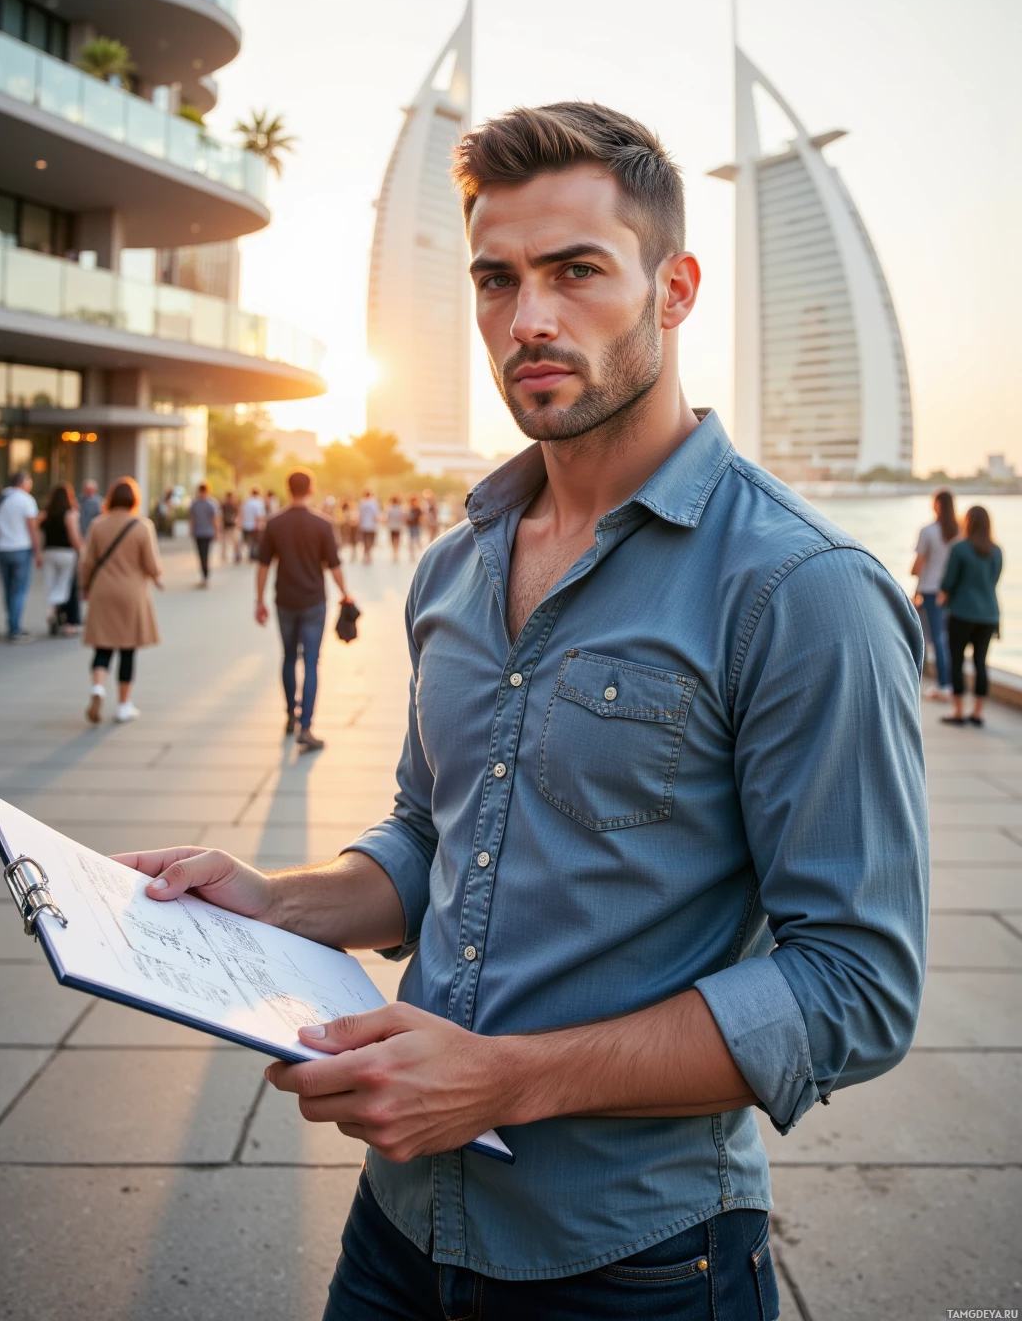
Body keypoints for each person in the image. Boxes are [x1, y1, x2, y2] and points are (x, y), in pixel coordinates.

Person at [117, 103, 928, 1320]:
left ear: (674, 287)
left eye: (575, 271)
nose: (527, 318)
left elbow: (856, 983)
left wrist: (504, 1082)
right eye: (497, 280)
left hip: (639, 1264)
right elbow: (431, 838)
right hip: (397, 1230)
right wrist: (279, 900)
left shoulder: (801, 590)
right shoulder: (454, 568)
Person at [254, 469, 351, 751]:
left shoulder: (274, 523)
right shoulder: (322, 525)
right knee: (310, 662)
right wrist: (345, 594)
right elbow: (334, 566)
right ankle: (306, 727)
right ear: (311, 489)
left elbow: (263, 565)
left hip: (284, 601)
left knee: (287, 657)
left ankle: (289, 715)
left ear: (288, 489)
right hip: (313, 602)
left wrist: (258, 601)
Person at [79, 476, 163, 724]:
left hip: (102, 591)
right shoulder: (142, 526)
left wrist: (84, 587)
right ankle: (124, 705)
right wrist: (157, 577)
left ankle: (97, 688)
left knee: (102, 647)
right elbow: (151, 564)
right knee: (127, 650)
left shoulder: (97, 524)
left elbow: (87, 562)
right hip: (131, 593)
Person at [940, 505, 1002, 728]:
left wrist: (941, 598)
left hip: (962, 612)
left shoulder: (959, 548)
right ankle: (977, 713)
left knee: (956, 660)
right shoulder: (996, 550)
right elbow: (994, 580)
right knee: (980, 663)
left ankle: (958, 711)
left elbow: (948, 582)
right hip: (989, 614)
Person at [912, 488, 958, 699]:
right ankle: (947, 682)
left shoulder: (928, 530)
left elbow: (918, 565)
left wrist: (913, 573)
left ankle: (942, 684)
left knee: (928, 637)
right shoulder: (959, 531)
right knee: (946, 638)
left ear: (938, 504)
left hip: (930, 591)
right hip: (952, 592)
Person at [0, 469, 41, 642]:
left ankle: (12, 624)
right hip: (21, 548)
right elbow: (32, 528)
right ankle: (15, 628)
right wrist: (38, 550)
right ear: (23, 482)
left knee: (8, 589)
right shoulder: (26, 500)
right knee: (19, 590)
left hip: (3, 548)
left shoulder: (2, 498)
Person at [40, 483, 83, 636]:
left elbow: (41, 535)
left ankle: (52, 610)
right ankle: (63, 615)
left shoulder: (46, 513)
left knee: (52, 584)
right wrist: (81, 551)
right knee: (65, 584)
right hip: (66, 553)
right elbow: (73, 535)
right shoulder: (70, 513)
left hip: (49, 552)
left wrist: (38, 553)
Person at [188, 482, 220, 587]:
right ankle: (204, 576)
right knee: (201, 555)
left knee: (205, 555)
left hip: (207, 533)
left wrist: (216, 532)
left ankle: (205, 577)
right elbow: (192, 518)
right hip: (199, 532)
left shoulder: (210, 503)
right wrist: (191, 530)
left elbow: (214, 519)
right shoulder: (196, 503)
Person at [240, 486, 266, 561]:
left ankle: (250, 554)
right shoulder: (258, 502)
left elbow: (241, 514)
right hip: (254, 525)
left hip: (246, 525)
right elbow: (259, 515)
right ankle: (253, 555)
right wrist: (259, 525)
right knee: (255, 542)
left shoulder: (246, 502)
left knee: (249, 542)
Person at [357, 488, 380, 564]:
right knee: (370, 541)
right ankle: (369, 556)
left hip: (363, 525)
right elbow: (376, 515)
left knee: (364, 541)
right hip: (371, 525)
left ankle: (365, 556)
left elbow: (359, 514)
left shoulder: (361, 503)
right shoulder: (374, 503)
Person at [221, 490, 241, 564]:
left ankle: (235, 554)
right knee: (225, 541)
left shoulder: (233, 505)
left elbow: (238, 514)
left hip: (232, 524)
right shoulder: (225, 505)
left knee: (234, 541)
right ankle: (224, 555)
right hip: (226, 524)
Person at [386, 495, 405, 560]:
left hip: (392, 526)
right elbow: (403, 518)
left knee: (392, 540)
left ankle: (394, 553)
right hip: (398, 526)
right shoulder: (400, 509)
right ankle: (396, 553)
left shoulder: (390, 509)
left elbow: (387, 518)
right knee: (397, 540)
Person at [406, 495, 423, 560]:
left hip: (416, 526)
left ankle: (422, 553)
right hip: (411, 526)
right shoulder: (409, 509)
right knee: (411, 540)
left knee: (417, 540)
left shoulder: (418, 509)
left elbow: (421, 518)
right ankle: (412, 555)